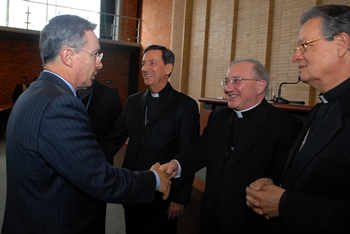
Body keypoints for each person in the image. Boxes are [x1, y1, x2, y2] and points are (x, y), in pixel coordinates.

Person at [1, 15, 170, 234]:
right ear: (68, 56)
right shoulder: (59, 104)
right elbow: (99, 178)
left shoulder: (34, 92)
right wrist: (154, 179)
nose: (100, 63)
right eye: (95, 54)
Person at [160, 58, 303, 233]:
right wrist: (177, 164)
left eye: (237, 81)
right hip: (210, 216)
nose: (228, 88)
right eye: (226, 81)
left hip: (250, 223)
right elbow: (201, 150)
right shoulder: (219, 118)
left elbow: (283, 179)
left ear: (260, 86)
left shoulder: (285, 125)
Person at [246, 5, 350, 233]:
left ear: (341, 44)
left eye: (305, 45)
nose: (295, 56)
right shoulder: (320, 109)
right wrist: (276, 189)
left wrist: (286, 204)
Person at [101, 45, 199, 234]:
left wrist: (180, 198)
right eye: (144, 63)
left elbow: (189, 154)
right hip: (133, 188)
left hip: (162, 195)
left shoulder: (185, 105)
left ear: (168, 68)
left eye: (152, 63)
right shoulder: (133, 101)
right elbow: (114, 139)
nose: (145, 68)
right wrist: (88, 162)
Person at [77, 78, 123, 230]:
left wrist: (98, 155)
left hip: (99, 167)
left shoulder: (110, 94)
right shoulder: (63, 92)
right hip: (68, 167)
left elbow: (118, 131)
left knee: (96, 218)